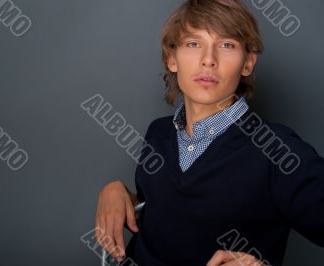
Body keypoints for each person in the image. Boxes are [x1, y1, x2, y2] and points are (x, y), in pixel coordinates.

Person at [95, 0, 324, 265]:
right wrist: (117, 192)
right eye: (193, 43)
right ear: (172, 58)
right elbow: (171, 213)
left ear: (248, 63)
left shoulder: (279, 152)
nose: (208, 60)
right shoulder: (159, 134)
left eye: (227, 45)